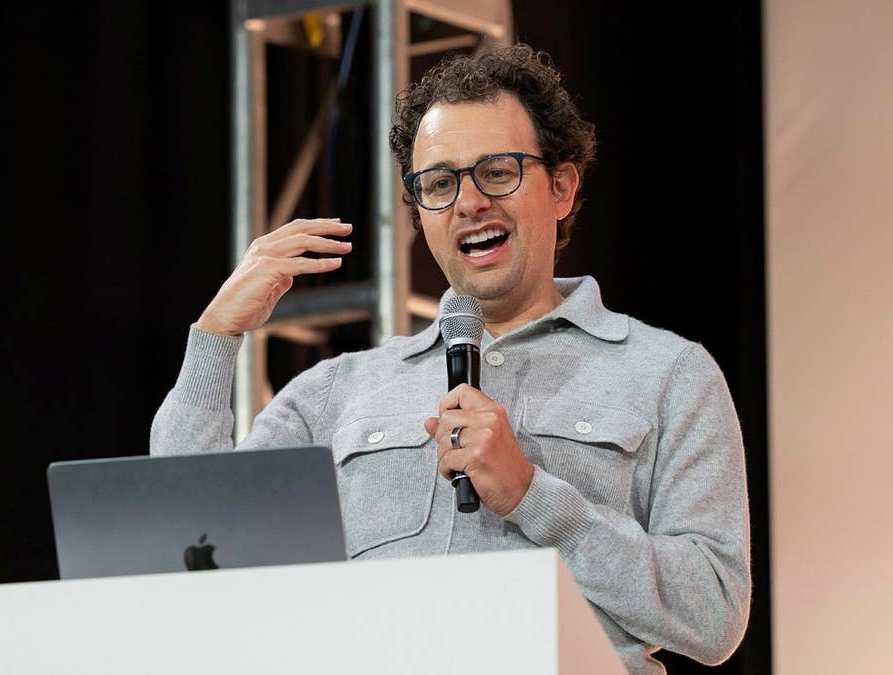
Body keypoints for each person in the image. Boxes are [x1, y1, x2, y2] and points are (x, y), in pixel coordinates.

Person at [150, 44, 750, 674]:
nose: (469, 203)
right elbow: (187, 545)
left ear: (562, 187)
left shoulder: (668, 374)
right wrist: (215, 335)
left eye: (498, 171)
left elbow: (713, 615)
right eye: (440, 184)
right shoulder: (336, 390)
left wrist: (533, 495)